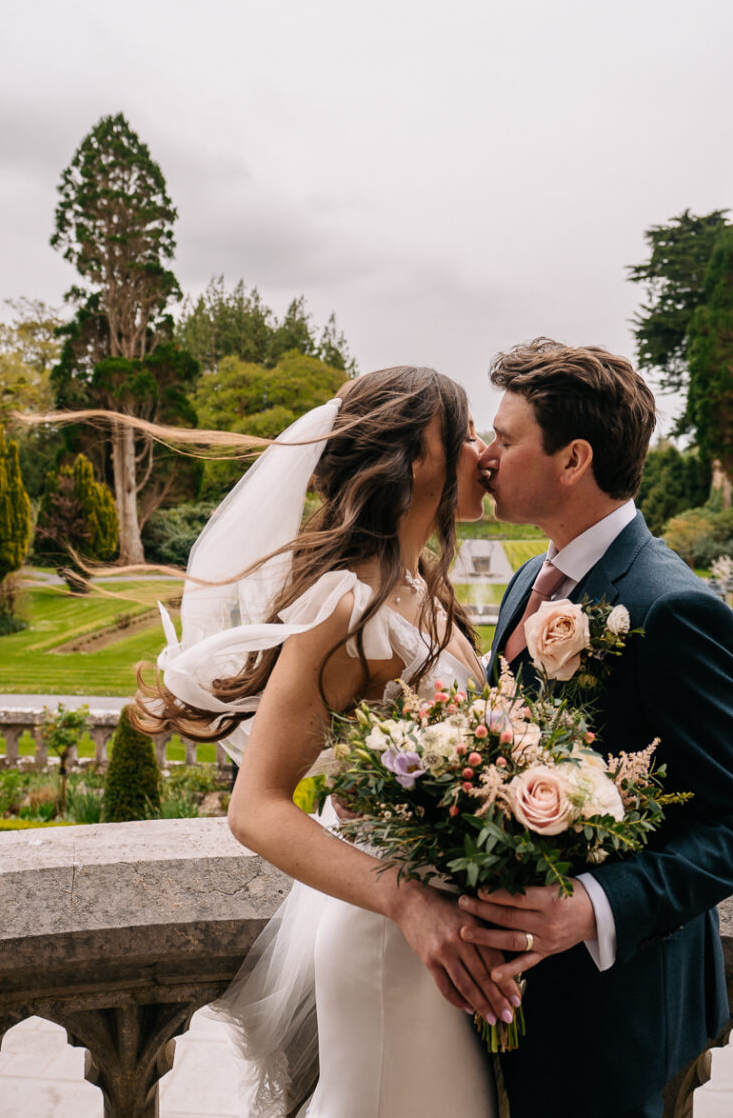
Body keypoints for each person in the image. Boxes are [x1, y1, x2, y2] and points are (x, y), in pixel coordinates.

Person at [123, 365, 509, 1117]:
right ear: (412, 461)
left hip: (440, 948)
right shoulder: (343, 605)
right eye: (462, 434)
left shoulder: (420, 584)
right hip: (390, 946)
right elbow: (257, 808)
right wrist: (411, 905)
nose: (482, 448)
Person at [456, 338, 733, 1118]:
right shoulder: (528, 579)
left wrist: (590, 907)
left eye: (505, 440)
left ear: (573, 459)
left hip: (611, 1020)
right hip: (515, 997)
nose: (484, 456)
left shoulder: (672, 608)